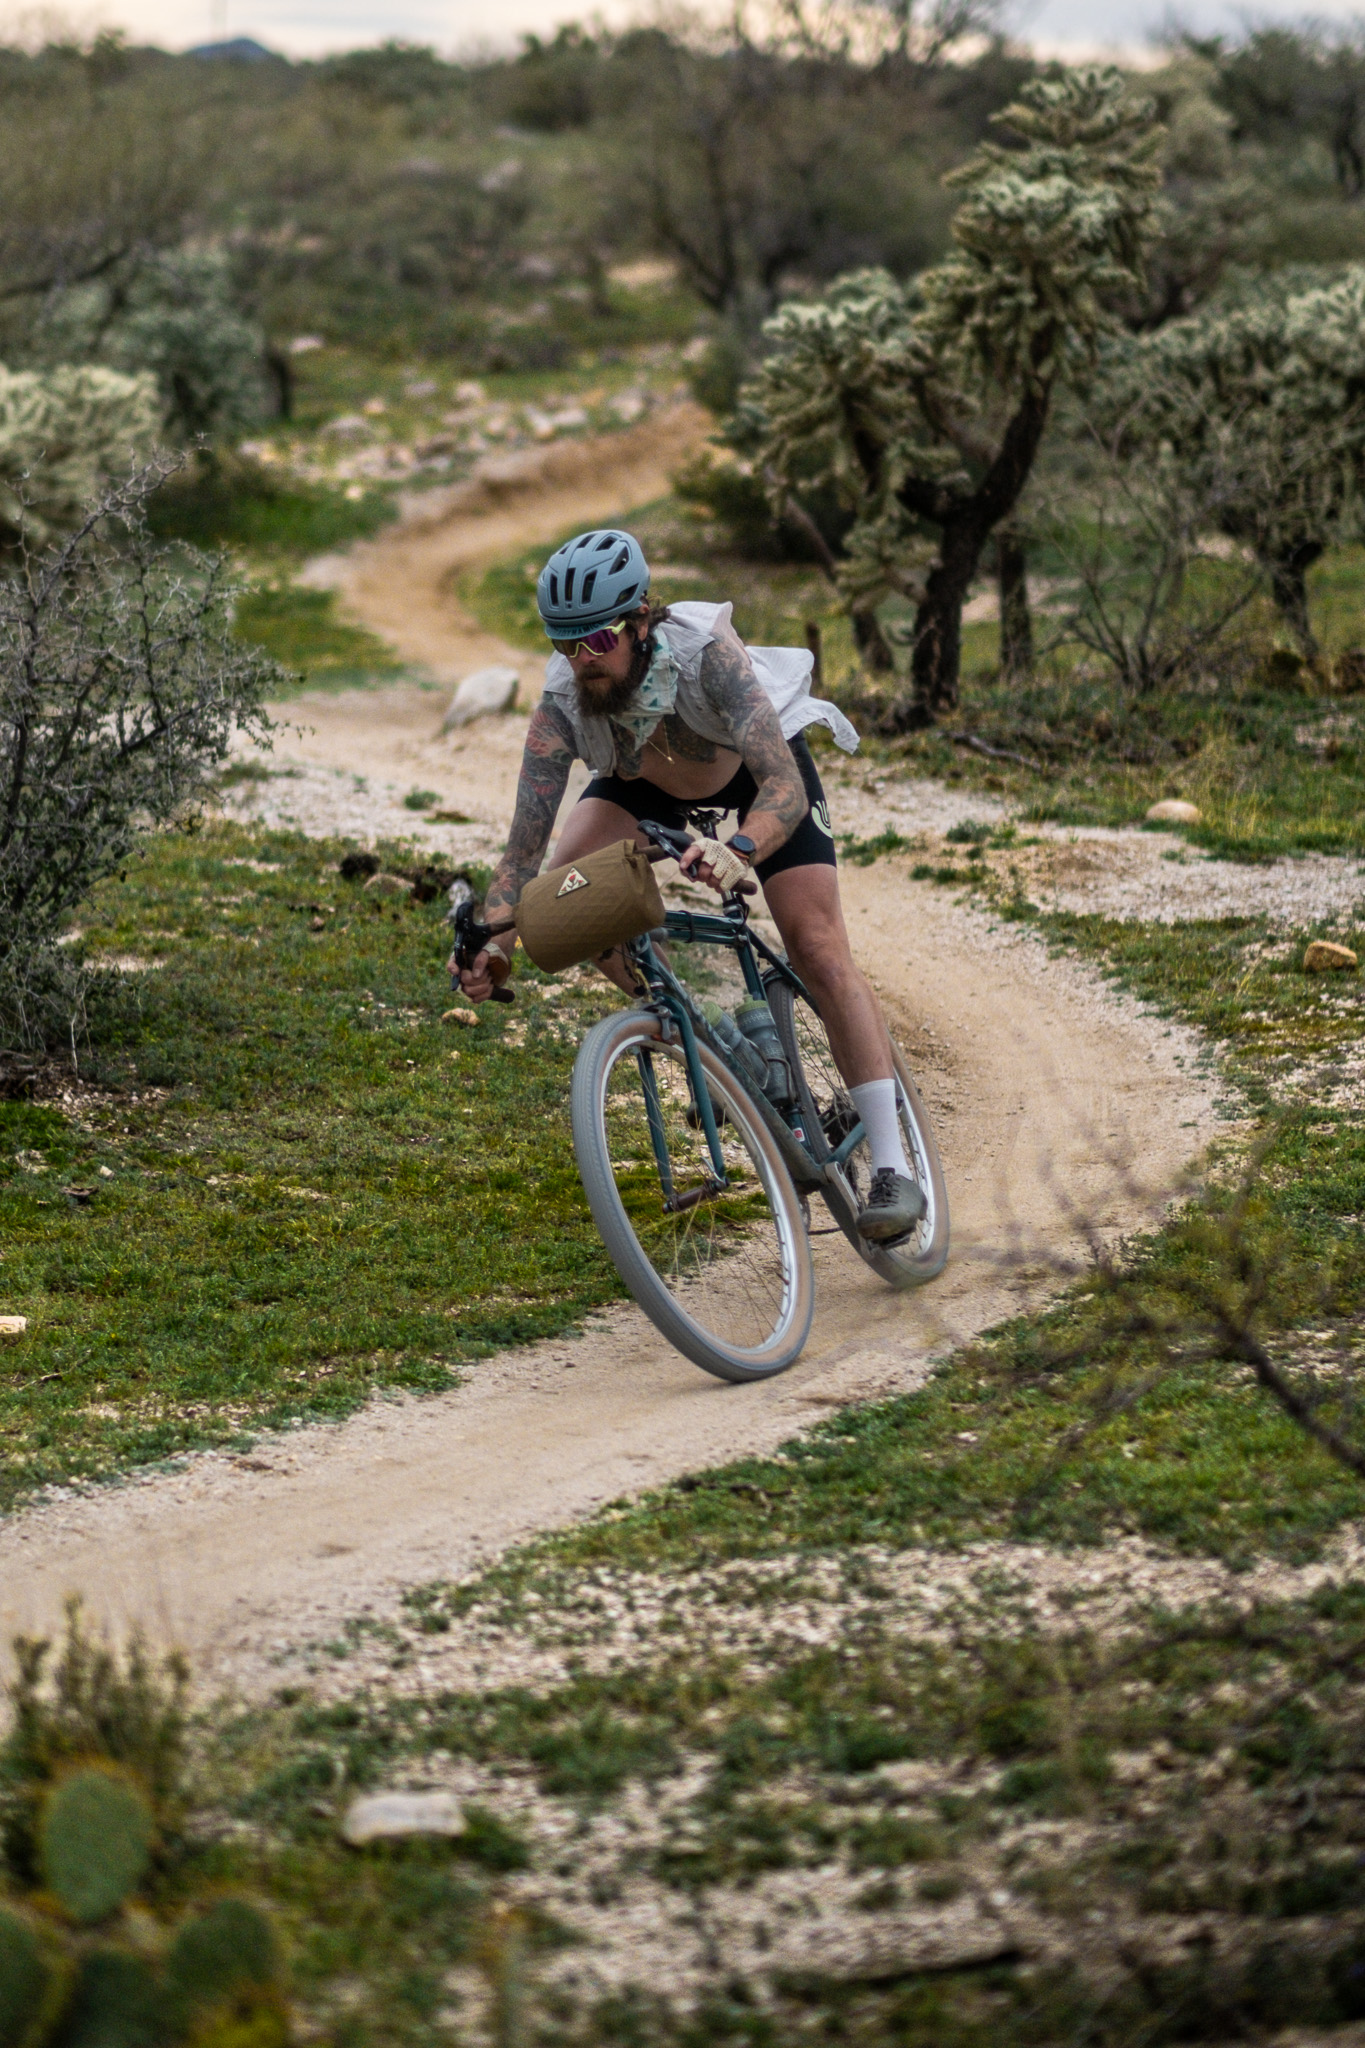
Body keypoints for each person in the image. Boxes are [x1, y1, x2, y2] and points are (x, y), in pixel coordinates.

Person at [454, 528, 925, 1242]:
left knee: (817, 947)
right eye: (565, 644)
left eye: (599, 639)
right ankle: (719, 1035)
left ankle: (893, 1168)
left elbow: (783, 787)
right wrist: (494, 947)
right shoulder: (562, 703)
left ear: (640, 620)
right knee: (570, 901)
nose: (583, 660)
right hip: (642, 784)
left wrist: (739, 850)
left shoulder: (706, 655)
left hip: (753, 774)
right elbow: (521, 856)